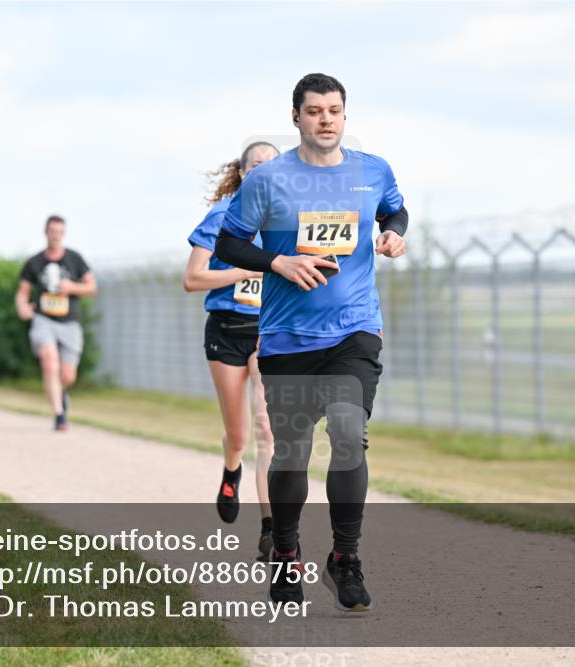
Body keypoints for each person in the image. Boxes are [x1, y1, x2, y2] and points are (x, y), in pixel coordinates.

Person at [215, 73, 408, 612]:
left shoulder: (373, 171)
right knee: (292, 454)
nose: (326, 119)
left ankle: (345, 558)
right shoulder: (269, 180)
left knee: (349, 435)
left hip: (354, 330)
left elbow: (394, 207)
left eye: (335, 110)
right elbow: (230, 242)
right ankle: (285, 549)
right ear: (296, 117)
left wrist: (394, 232)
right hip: (287, 339)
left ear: (345, 116)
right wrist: (278, 260)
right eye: (315, 110)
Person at [184, 141, 279, 561]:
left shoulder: (283, 221)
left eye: (272, 166)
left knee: (267, 429)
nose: (263, 171)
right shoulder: (222, 216)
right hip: (225, 331)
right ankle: (230, 468)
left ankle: (271, 530)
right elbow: (193, 278)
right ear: (242, 173)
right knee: (238, 435)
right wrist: (243, 269)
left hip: (268, 332)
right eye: (256, 165)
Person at [15, 215, 96, 431]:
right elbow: (22, 294)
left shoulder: (74, 259)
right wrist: (22, 307)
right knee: (49, 362)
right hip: (43, 320)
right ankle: (59, 416)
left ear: (63, 234)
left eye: (59, 232)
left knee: (67, 375)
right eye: (52, 231)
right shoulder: (34, 262)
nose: (56, 235)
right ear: (46, 232)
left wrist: (72, 287)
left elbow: (91, 287)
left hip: (69, 323)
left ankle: (60, 394)